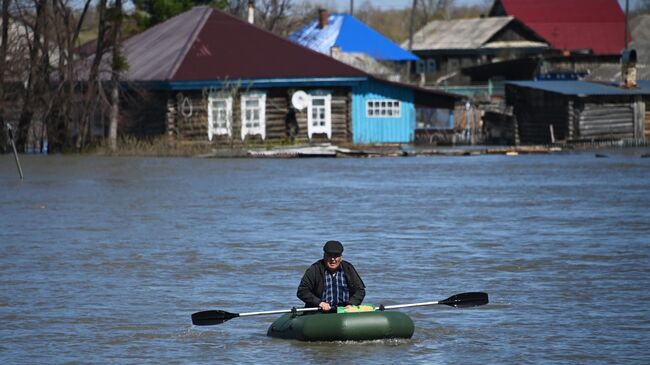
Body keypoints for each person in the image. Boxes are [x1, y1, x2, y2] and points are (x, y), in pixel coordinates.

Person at [297, 240, 365, 312]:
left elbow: (360, 290)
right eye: (329, 255)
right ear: (324, 256)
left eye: (336, 256)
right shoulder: (315, 269)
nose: (333, 259)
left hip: (344, 311)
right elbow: (302, 291)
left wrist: (351, 304)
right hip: (319, 311)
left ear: (341, 257)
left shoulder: (348, 268)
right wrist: (319, 303)